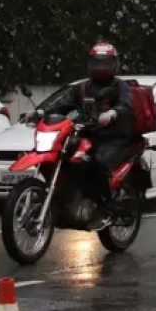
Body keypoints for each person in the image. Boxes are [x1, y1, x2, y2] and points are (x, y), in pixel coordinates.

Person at [51, 43, 134, 229]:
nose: (101, 68)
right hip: (87, 134)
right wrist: (40, 112)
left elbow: (126, 104)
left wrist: (113, 113)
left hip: (113, 137)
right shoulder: (81, 88)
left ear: (115, 65)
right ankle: (67, 197)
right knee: (66, 157)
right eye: (97, 63)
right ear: (90, 64)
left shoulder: (121, 86)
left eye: (106, 63)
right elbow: (62, 105)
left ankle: (105, 206)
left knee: (97, 162)